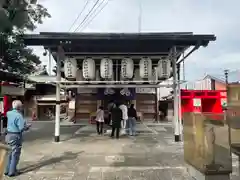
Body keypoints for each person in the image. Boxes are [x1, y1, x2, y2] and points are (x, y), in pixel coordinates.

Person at [4, 100, 31, 177]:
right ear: (20, 107)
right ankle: (12, 172)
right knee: (15, 154)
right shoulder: (19, 115)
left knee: (9, 153)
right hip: (16, 136)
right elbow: (21, 128)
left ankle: (7, 170)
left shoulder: (8, 113)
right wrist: (27, 126)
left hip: (8, 135)